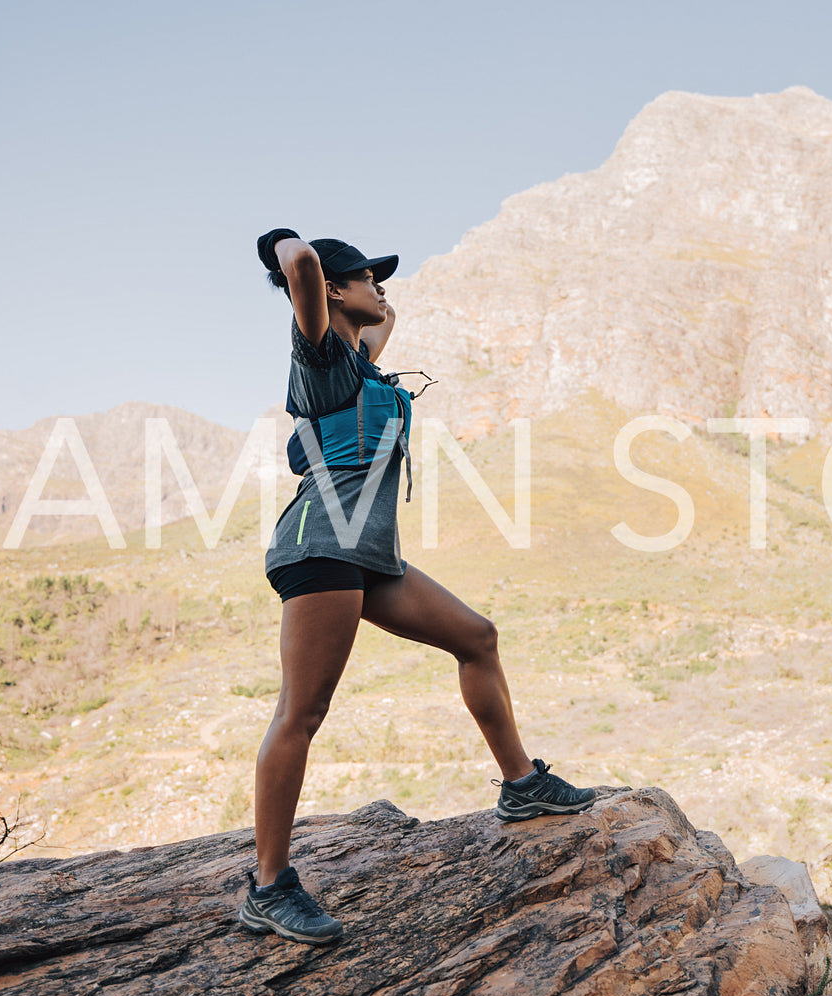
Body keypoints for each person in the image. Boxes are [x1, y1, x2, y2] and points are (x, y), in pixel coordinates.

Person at [237, 228, 597, 946]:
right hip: (323, 547)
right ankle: (269, 887)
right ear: (331, 291)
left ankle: (521, 785)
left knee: (477, 638)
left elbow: (385, 319)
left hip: (371, 558)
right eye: (367, 278)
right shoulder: (319, 358)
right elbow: (302, 264)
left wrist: (368, 307)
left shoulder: (360, 368)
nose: (382, 289)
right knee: (302, 712)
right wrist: (278, 244)